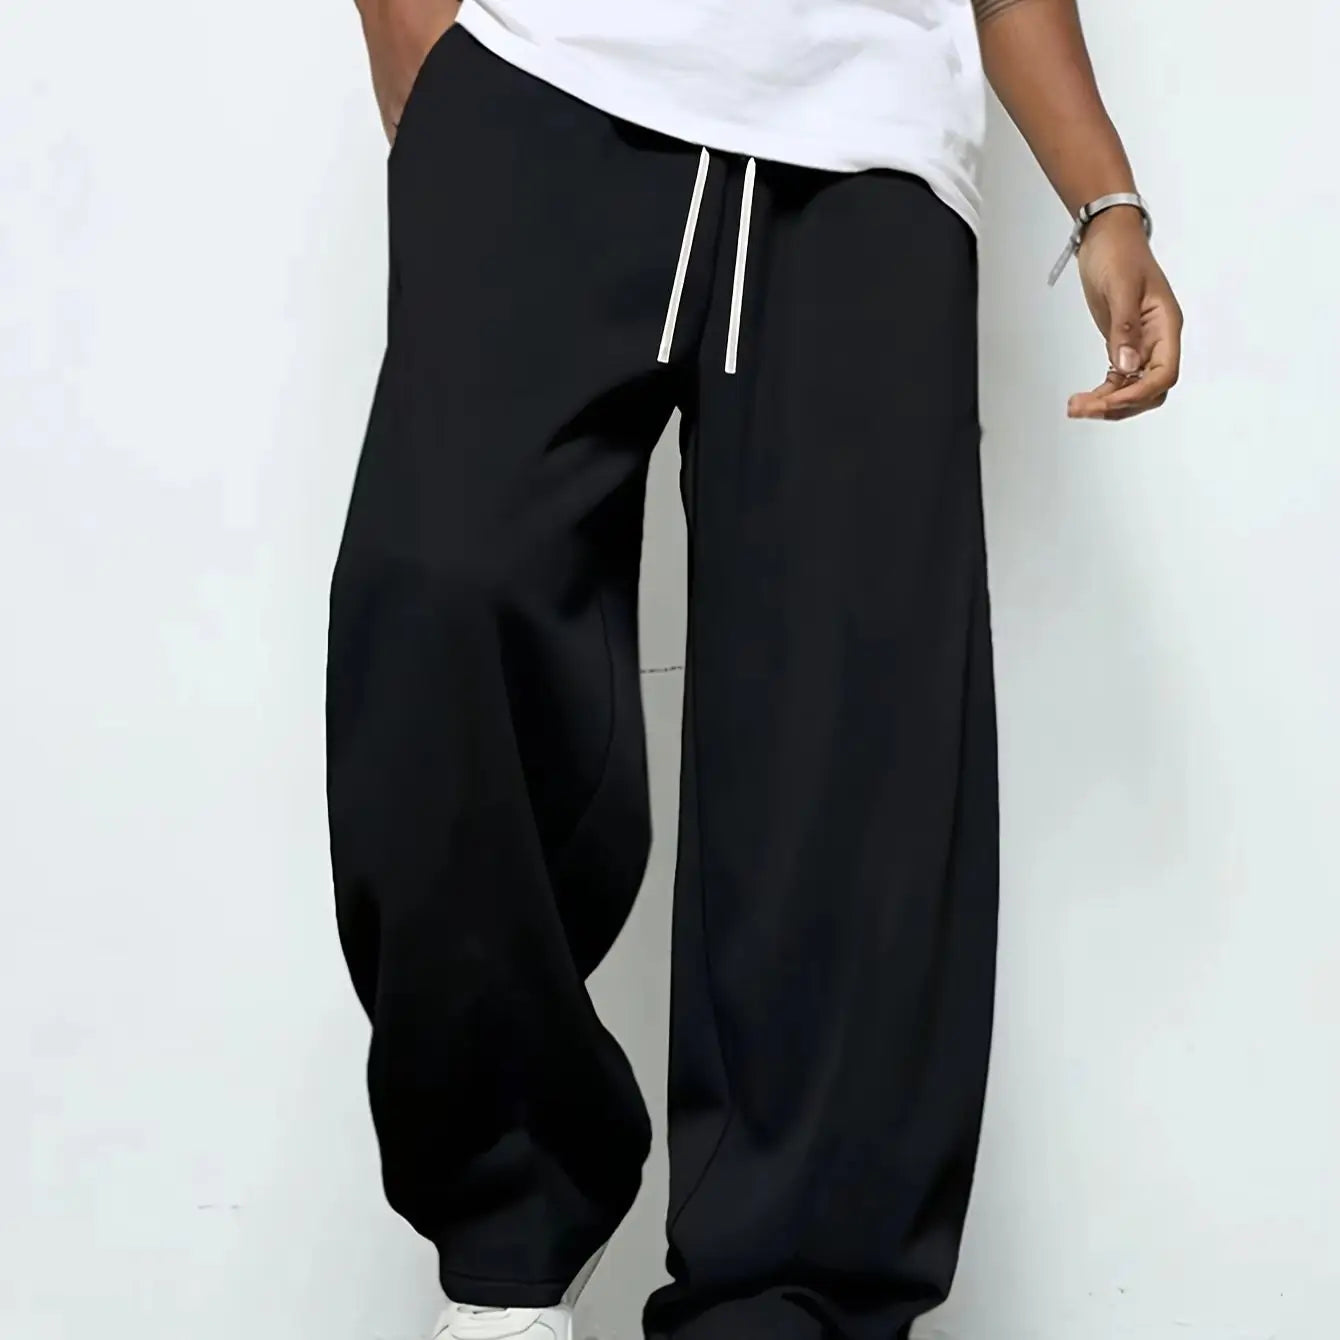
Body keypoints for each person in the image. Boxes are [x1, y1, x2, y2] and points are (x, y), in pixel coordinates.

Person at [329, 2, 1183, 1339]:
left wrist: (1104, 200)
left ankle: (789, 1307)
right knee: (442, 611)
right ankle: (505, 1242)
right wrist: (419, 57)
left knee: (845, 751)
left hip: (870, 150)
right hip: (545, 77)